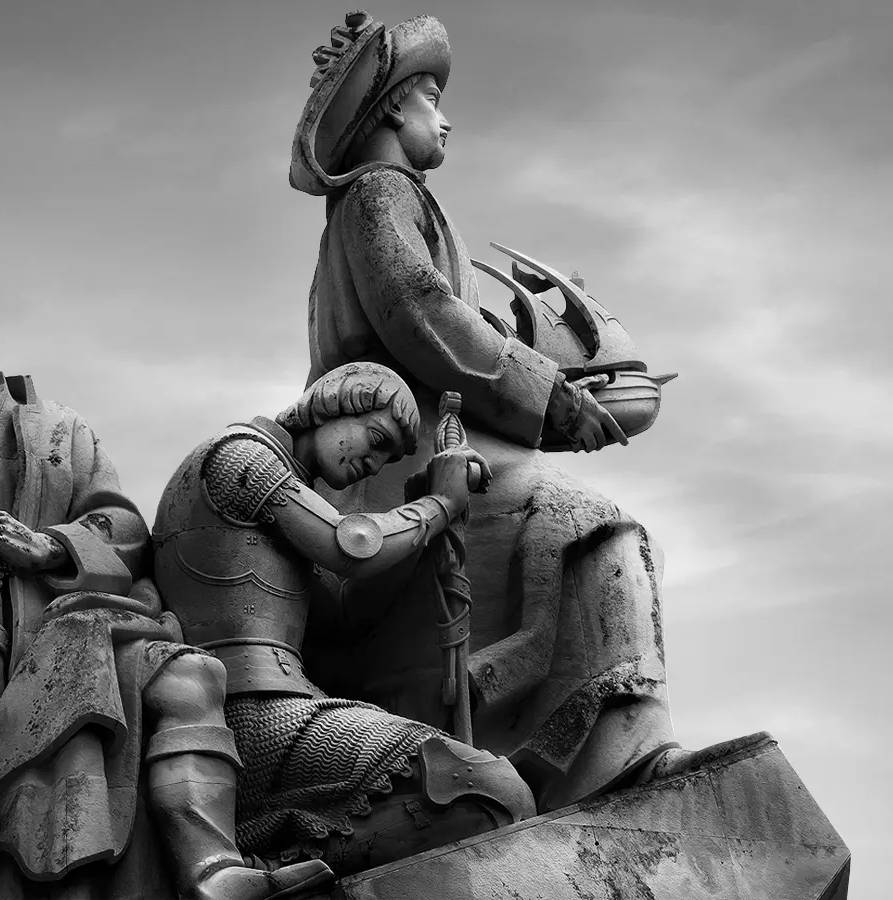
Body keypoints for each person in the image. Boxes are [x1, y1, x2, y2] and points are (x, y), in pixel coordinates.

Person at [0, 252, 331, 900]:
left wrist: (48, 547)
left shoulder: (59, 427)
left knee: (191, 676)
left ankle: (212, 871)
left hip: (65, 634)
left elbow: (123, 526)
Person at [291, 11, 691, 809]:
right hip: (404, 452)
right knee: (593, 522)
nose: (445, 117)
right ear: (393, 111)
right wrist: (546, 395)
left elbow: (444, 322)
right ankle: (619, 748)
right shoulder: (379, 194)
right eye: (430, 96)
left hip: (432, 439)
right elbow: (425, 312)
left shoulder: (392, 202)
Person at [153, 361, 535, 875]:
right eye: (375, 439)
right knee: (488, 791)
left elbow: (347, 618)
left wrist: (422, 514)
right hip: (246, 712)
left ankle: (285, 868)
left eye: (386, 458)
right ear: (335, 403)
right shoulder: (239, 456)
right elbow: (349, 545)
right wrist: (439, 504)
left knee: (486, 800)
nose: (373, 463)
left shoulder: (289, 499)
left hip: (285, 705)